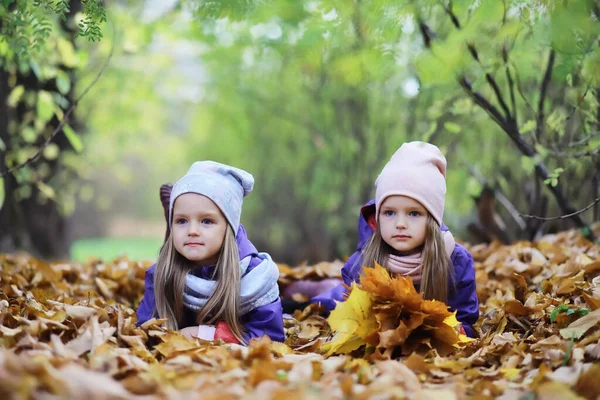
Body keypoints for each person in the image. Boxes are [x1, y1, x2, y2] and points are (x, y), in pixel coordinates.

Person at [313, 142, 479, 337]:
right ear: (378, 217)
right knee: (324, 298)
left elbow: (465, 321)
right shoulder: (361, 263)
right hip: (343, 304)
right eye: (390, 212)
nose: (400, 223)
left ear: (432, 219)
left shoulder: (456, 262)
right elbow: (351, 318)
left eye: (414, 214)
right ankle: (298, 293)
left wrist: (451, 332)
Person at [136, 161, 285, 344]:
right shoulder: (162, 274)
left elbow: (269, 338)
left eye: (206, 221)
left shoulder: (255, 277)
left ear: (229, 227)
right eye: (181, 221)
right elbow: (145, 330)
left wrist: (208, 335)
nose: (192, 230)